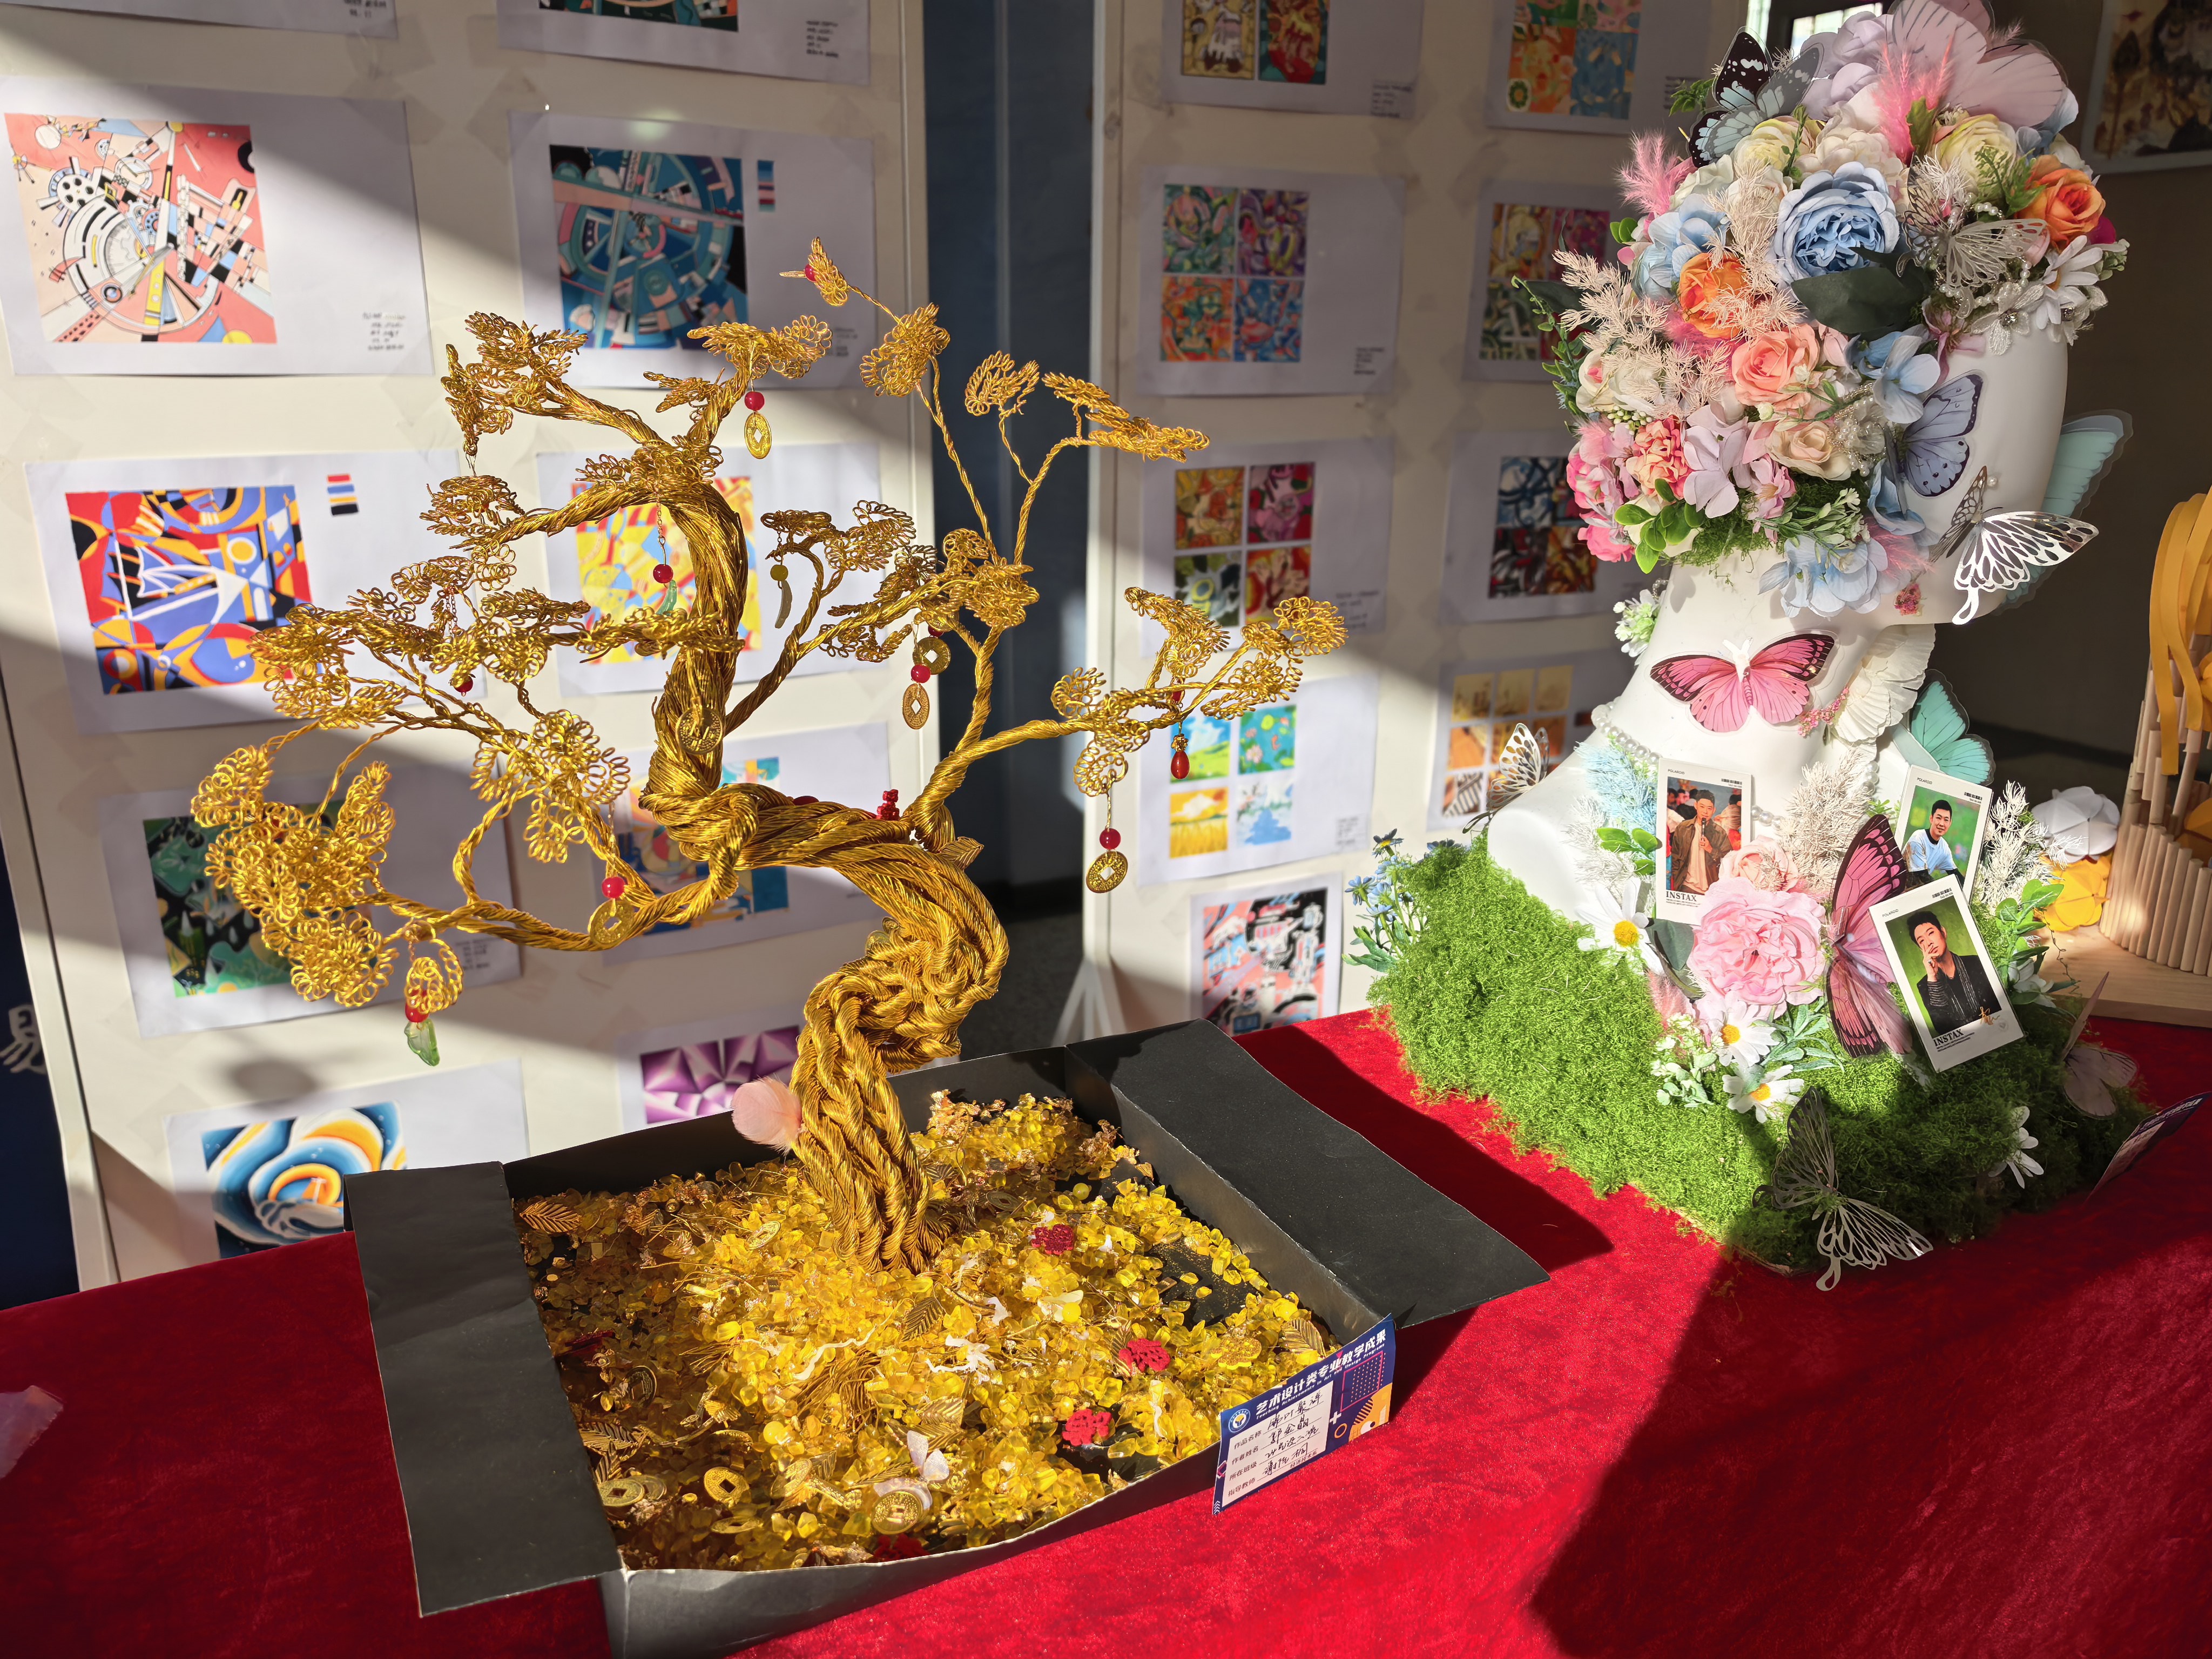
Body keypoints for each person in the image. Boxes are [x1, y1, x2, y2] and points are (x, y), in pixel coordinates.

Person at [1907, 908, 2002, 1036]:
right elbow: (1943, 1029)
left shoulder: (1976, 962)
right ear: (1921, 949)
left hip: (1995, 1030)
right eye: (1922, 941)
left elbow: (1996, 1005)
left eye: (1931, 933)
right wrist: (1933, 978)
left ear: (1943, 932)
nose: (1929, 943)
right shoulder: (1926, 984)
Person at [1668, 788, 1730, 896]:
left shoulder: (1720, 833)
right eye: (1702, 807)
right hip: (1686, 886)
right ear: (1696, 806)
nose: (1705, 812)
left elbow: (1729, 860)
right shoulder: (1683, 828)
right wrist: (1678, 881)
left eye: (1709, 808)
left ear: (1714, 810)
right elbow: (1676, 857)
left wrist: (1711, 850)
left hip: (1711, 890)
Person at [1907, 800, 1959, 875]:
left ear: (1950, 823)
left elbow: (1955, 874)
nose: (1942, 824)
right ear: (1931, 819)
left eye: (1946, 820)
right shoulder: (1918, 839)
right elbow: (1921, 876)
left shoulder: (1944, 847)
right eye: (1939, 818)